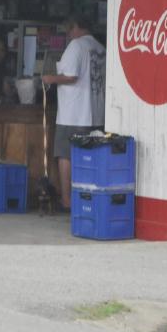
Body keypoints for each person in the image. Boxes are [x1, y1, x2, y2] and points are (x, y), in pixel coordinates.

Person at [42, 14, 105, 210]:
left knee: (65, 155)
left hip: (73, 113)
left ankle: (67, 200)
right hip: (96, 112)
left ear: (77, 26)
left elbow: (70, 76)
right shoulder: (100, 48)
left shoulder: (76, 46)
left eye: (69, 30)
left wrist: (50, 79)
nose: (69, 35)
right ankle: (88, 197)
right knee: (90, 156)